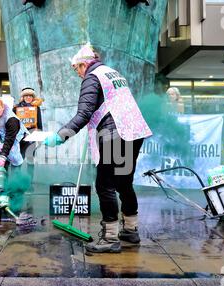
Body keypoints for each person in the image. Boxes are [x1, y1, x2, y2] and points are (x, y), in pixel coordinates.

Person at [43, 43, 152, 253]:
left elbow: (83, 113)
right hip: (133, 131)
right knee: (124, 182)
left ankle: (110, 239)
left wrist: (60, 136)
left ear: (84, 64)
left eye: (76, 68)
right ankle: (130, 230)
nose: (77, 73)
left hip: (114, 133)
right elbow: (108, 104)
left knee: (105, 185)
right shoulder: (112, 73)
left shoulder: (92, 77)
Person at [0, 93, 30, 220]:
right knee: (2, 170)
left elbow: (10, 140)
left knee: (16, 170)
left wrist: (3, 156)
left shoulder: (11, 120)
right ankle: (2, 196)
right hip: (5, 143)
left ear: (3, 107)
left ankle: (16, 200)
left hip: (20, 142)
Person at [12, 87, 43, 187]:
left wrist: (39, 135)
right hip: (19, 137)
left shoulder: (36, 108)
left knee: (30, 159)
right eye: (26, 95)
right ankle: (16, 180)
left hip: (31, 136)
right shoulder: (16, 108)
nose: (28, 97)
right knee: (17, 159)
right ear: (23, 97)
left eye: (30, 96)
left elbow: (39, 123)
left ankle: (29, 181)